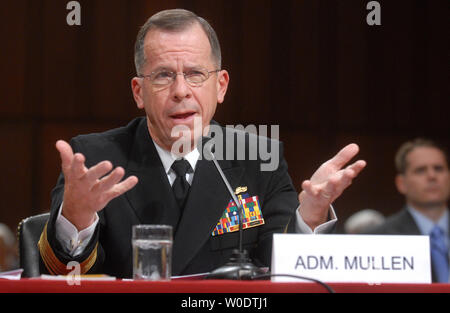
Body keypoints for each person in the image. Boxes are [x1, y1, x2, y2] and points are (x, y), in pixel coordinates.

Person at [37, 9, 366, 278]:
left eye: (195, 74)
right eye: (164, 75)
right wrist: (77, 218)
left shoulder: (257, 158)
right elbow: (66, 274)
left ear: (220, 86)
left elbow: (283, 271)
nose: (181, 90)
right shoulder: (96, 160)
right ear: (139, 92)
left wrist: (309, 216)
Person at [368, 138, 450, 283]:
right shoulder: (378, 239)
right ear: (401, 183)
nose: (432, 176)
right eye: (420, 170)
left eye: (438, 168)